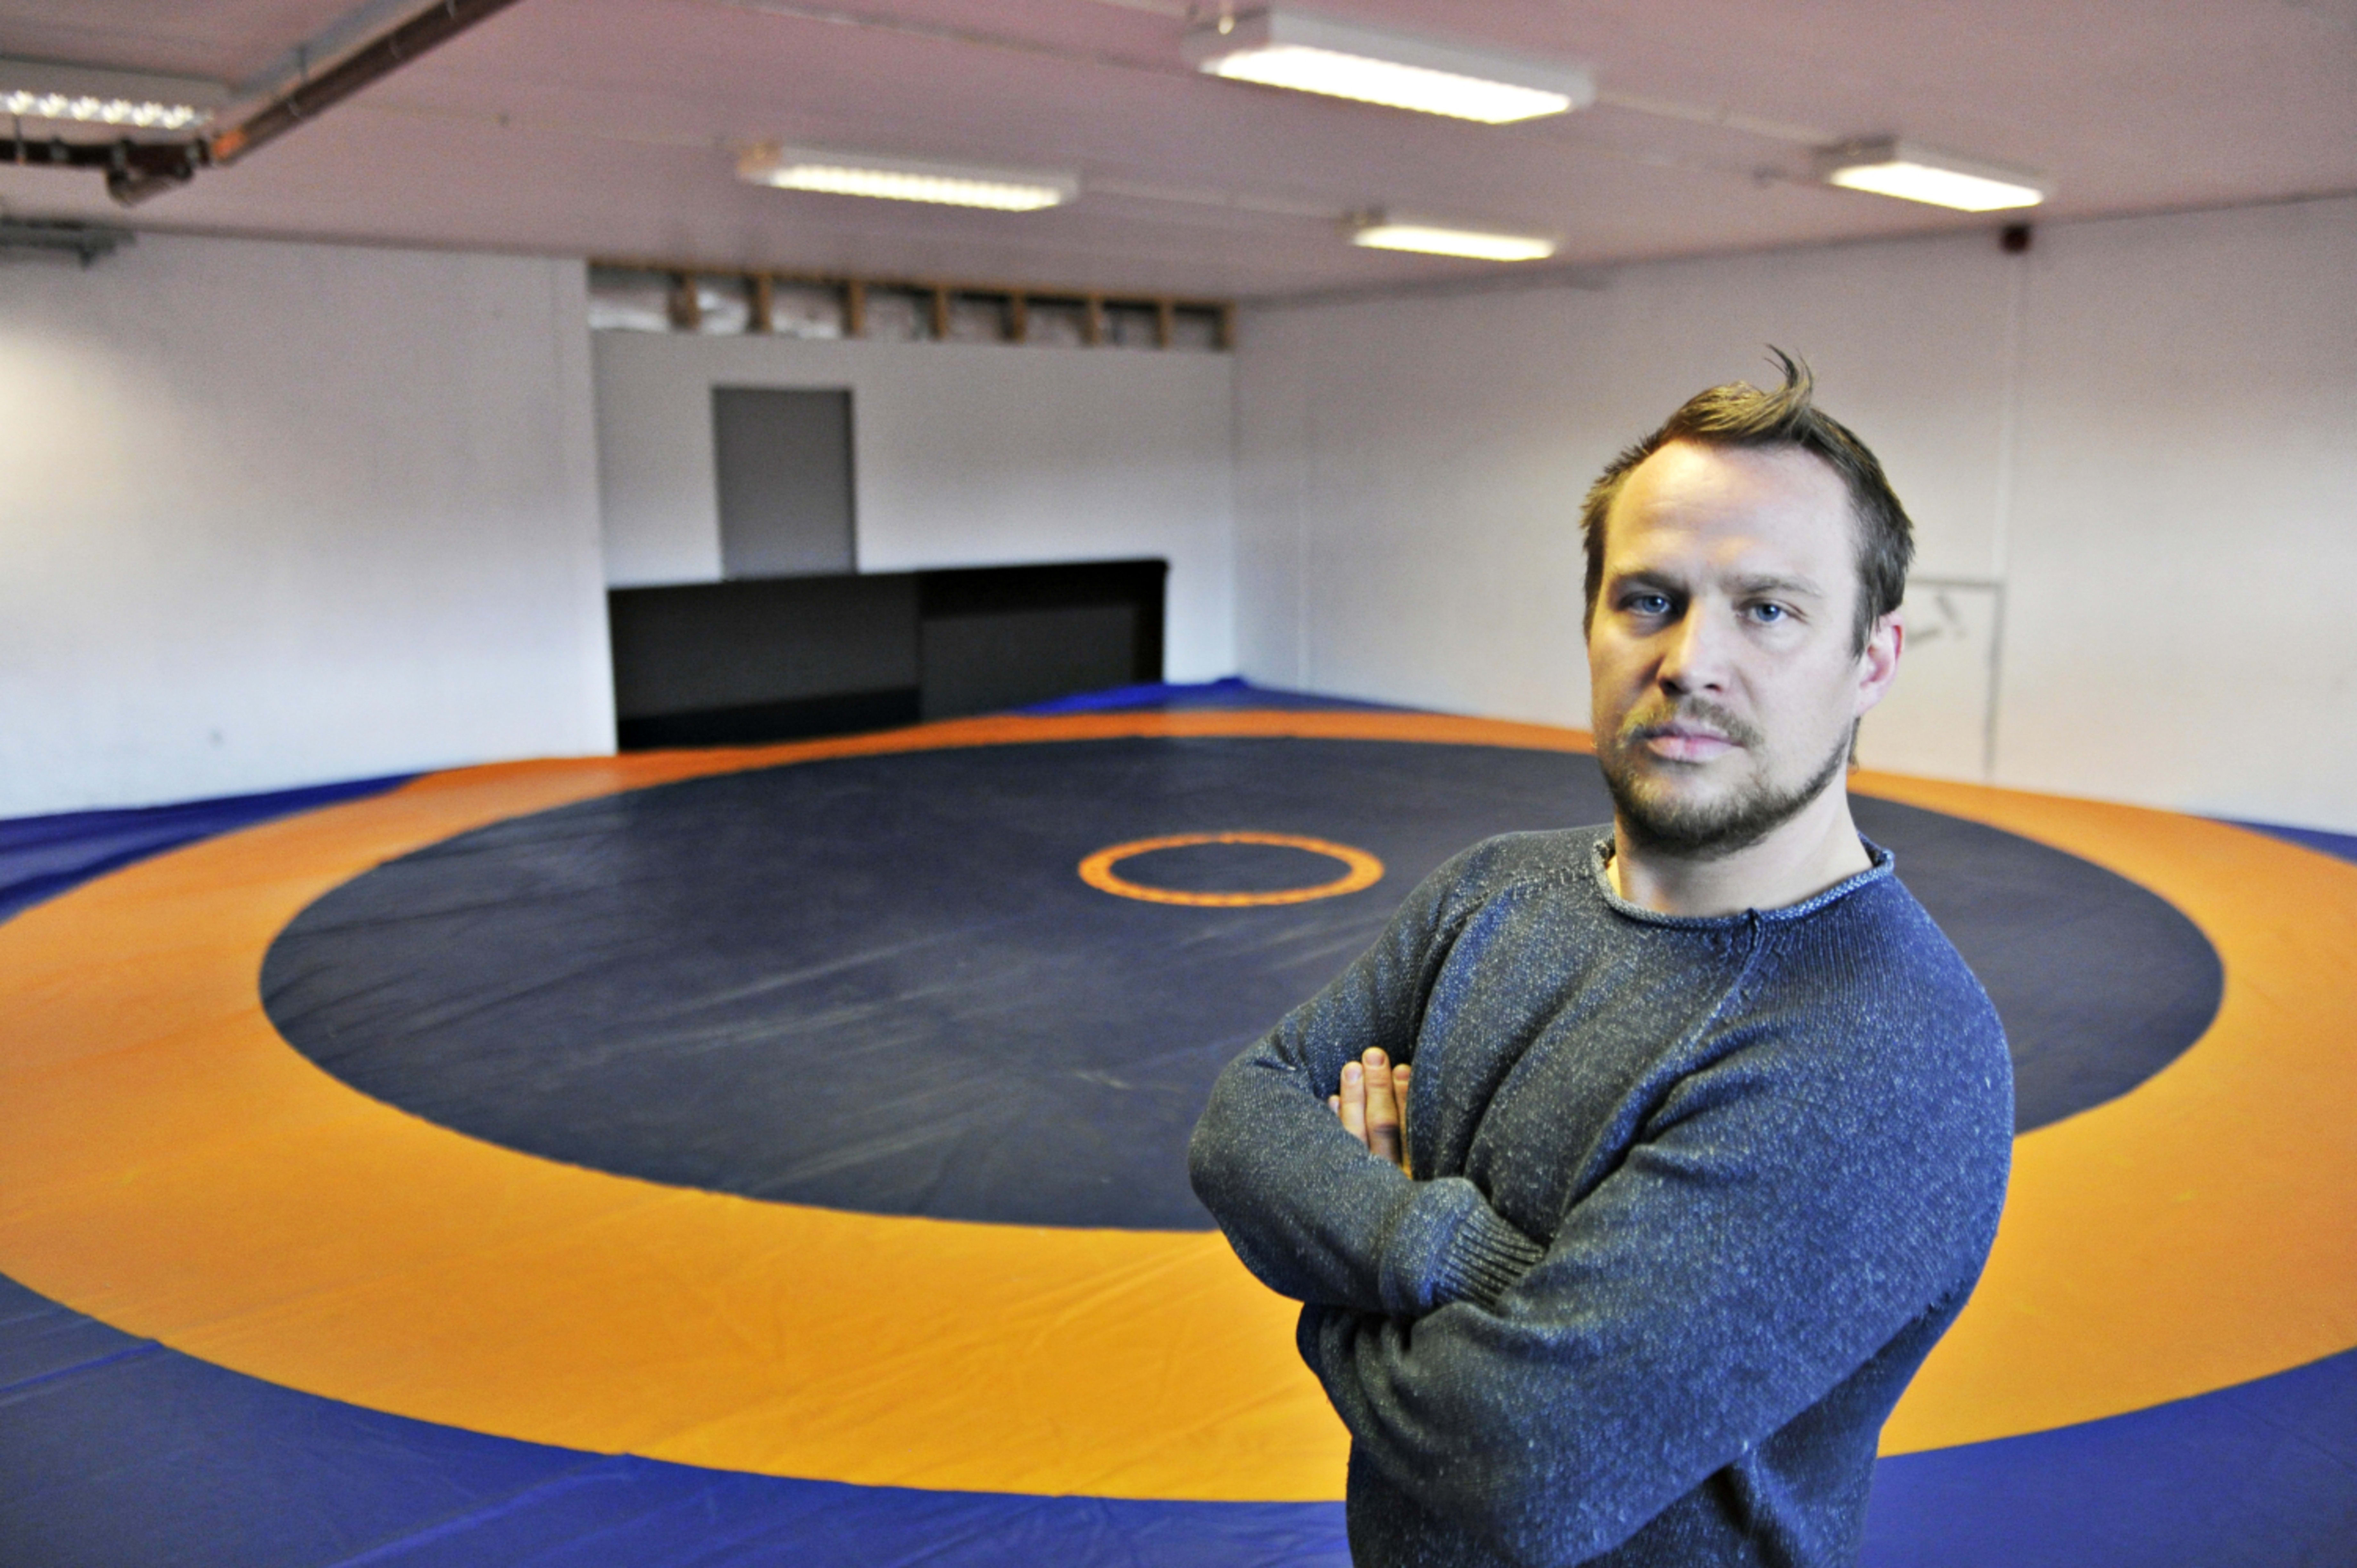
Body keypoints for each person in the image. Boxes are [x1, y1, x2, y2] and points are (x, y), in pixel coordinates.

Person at [1187, 355, 2013, 1568]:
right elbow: (1240, 1125)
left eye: (1768, 610)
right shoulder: (1493, 890)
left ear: (1873, 659)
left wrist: (1341, 1276)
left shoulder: (1884, 1048)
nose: (1689, 659)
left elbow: (1516, 1472)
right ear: (1591, 624)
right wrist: (1453, 1259)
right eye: (1648, 600)